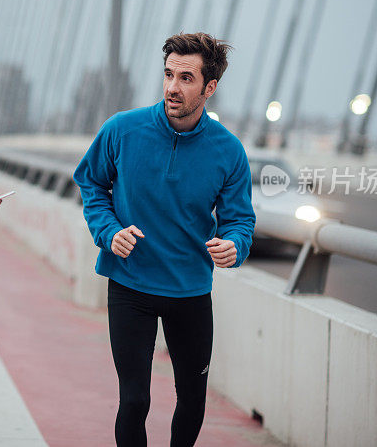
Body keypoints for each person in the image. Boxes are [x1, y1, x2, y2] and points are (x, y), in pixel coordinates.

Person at [73, 32, 256, 446]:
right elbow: (90, 183)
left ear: (209, 88)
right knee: (135, 401)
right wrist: (109, 231)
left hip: (190, 290)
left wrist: (234, 244)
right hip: (130, 286)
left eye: (186, 78)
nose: (173, 87)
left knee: (192, 400)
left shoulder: (229, 152)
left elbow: (240, 220)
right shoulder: (122, 129)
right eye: (169, 74)